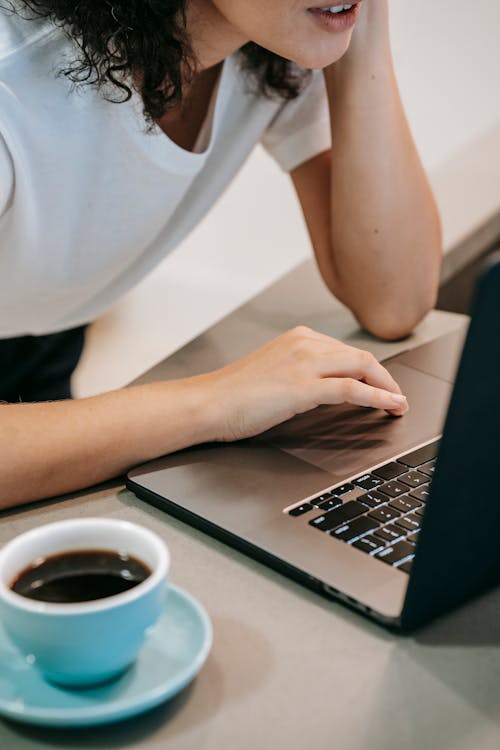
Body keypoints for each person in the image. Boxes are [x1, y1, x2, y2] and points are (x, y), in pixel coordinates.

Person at [0, 0, 442, 509]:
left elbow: (394, 299)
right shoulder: (16, 85)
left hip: (42, 338)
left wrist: (362, 30)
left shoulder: (272, 40)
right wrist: (216, 400)